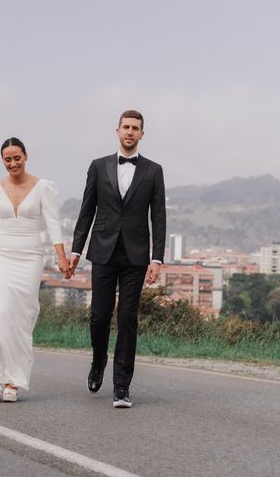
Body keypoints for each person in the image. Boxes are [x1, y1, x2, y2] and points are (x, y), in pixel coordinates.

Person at [0, 137, 71, 402]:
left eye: (17, 157)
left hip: (31, 257)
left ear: (26, 156)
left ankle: (14, 381)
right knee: (2, 312)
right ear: (3, 161)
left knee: (22, 318)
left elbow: (53, 224)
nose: (13, 163)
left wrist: (61, 258)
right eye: (7, 159)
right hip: (2, 254)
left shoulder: (43, 187)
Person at [69, 110, 166, 408]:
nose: (130, 132)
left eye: (135, 128)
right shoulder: (98, 167)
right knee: (99, 316)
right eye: (126, 127)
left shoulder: (153, 170)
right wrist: (75, 250)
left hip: (136, 255)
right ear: (117, 130)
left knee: (127, 318)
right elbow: (87, 210)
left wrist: (157, 258)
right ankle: (99, 360)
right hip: (103, 250)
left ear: (142, 134)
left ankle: (121, 386)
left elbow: (158, 216)